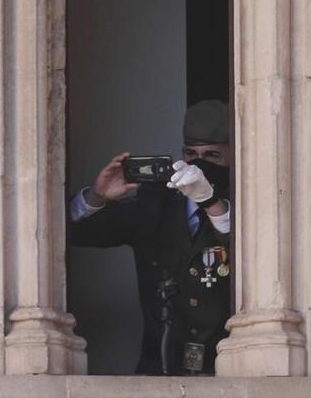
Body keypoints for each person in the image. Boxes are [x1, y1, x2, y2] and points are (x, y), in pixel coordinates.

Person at [68, 100, 235, 375]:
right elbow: (66, 235)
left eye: (213, 155)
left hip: (227, 367)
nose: (200, 164)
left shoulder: (248, 200)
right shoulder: (155, 202)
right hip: (160, 366)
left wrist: (211, 201)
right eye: (192, 154)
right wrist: (97, 197)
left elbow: (246, 250)